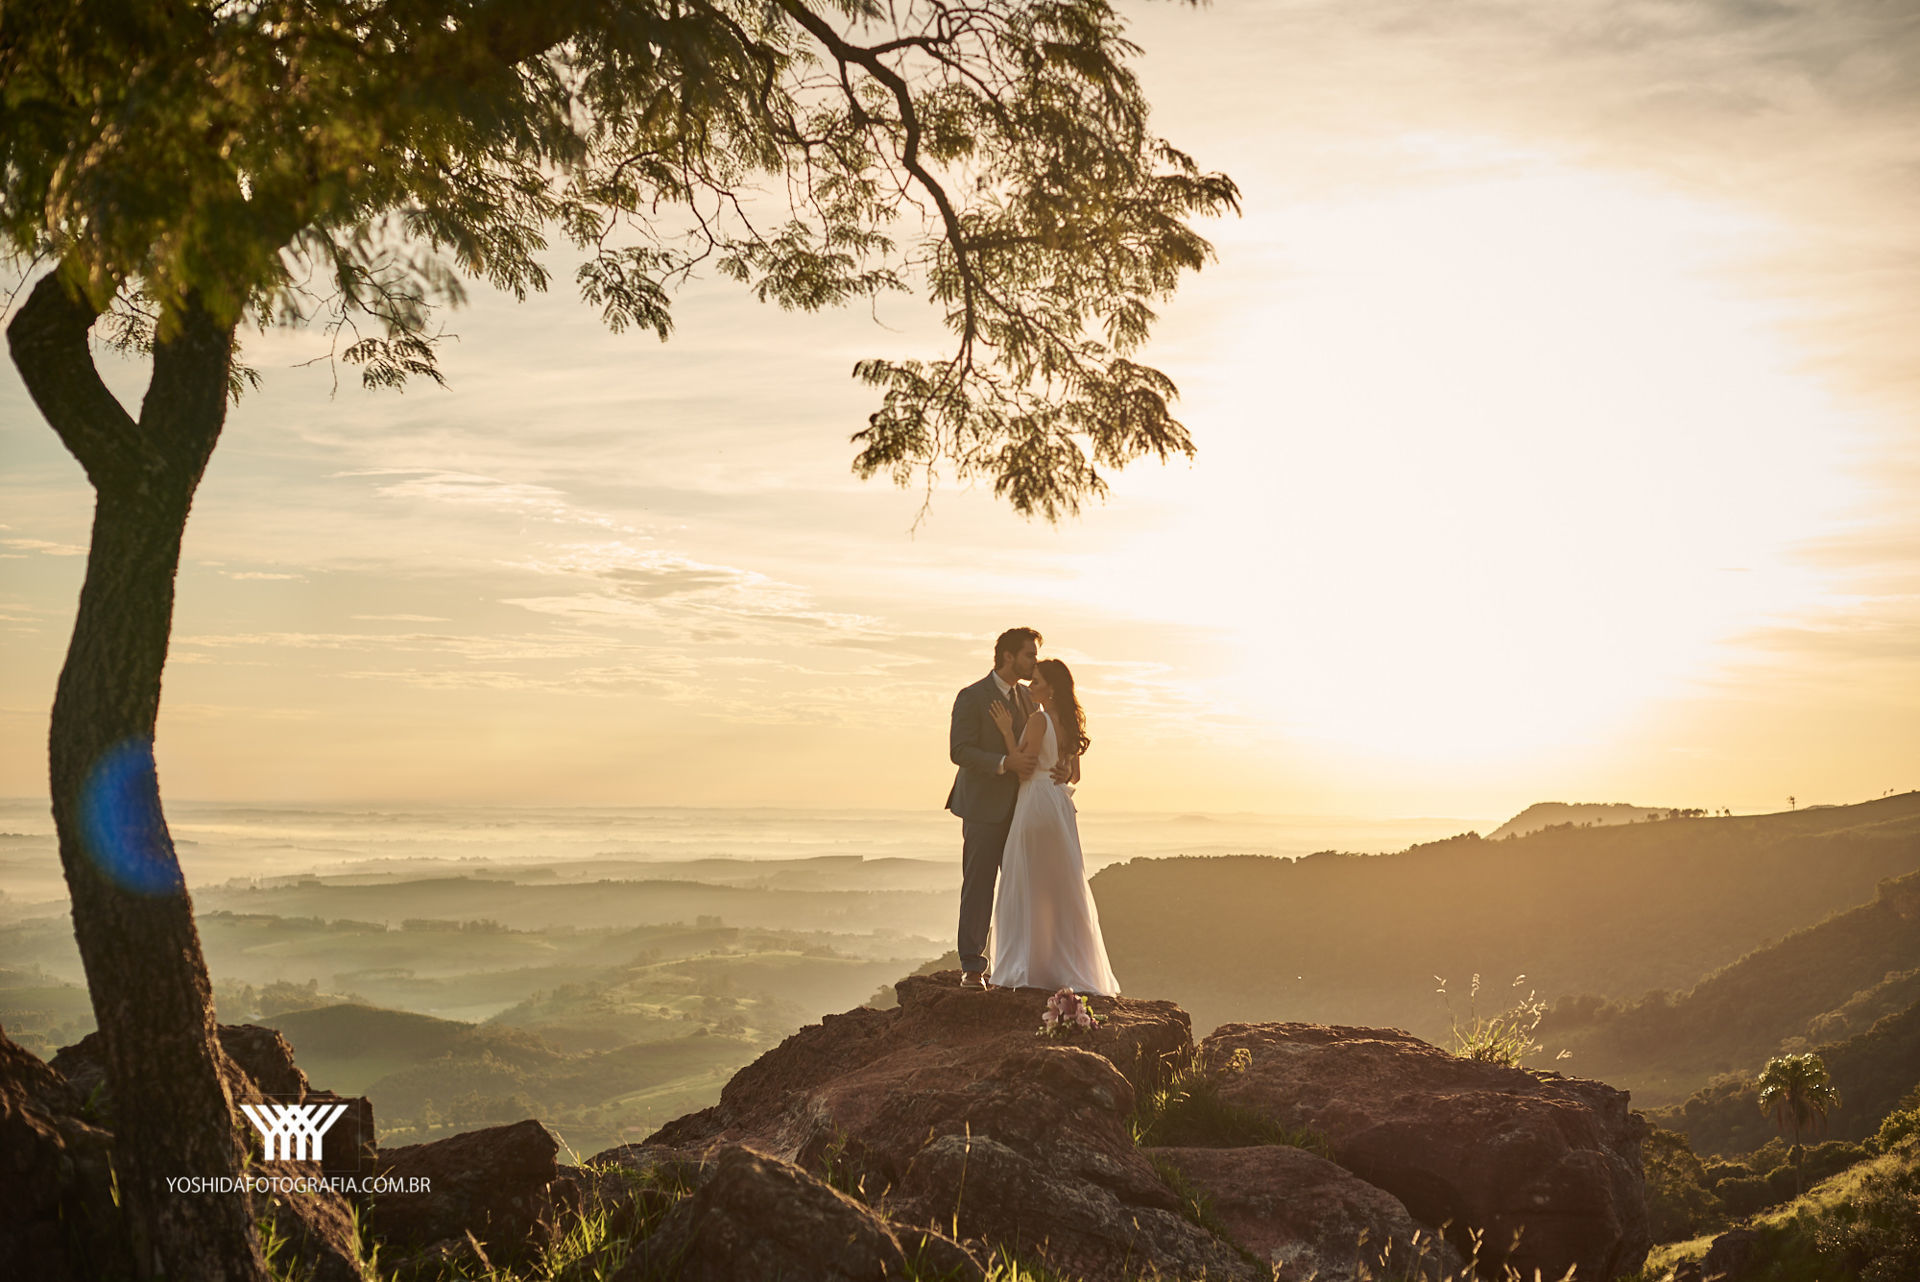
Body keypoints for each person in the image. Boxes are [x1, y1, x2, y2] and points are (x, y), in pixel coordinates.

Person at [946, 628, 1073, 989]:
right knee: (980, 884)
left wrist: (1061, 767)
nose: (1034, 664)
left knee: (1026, 886)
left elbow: (1048, 741)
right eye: (1030, 656)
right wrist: (1005, 763)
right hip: (984, 807)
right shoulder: (971, 697)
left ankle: (1027, 963)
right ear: (1008, 657)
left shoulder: (1030, 699)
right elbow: (960, 750)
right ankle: (973, 966)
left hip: (1026, 808)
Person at [984, 658, 1119, 995]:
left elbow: (1024, 767)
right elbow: (1074, 776)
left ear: (1052, 689)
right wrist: (1057, 771)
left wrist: (1004, 732)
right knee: (1060, 886)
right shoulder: (1070, 725)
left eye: (1037, 682)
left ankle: (1029, 967)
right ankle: (1064, 964)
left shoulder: (1038, 720)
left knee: (1028, 881)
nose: (1031, 687)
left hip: (1036, 803)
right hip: (1059, 804)